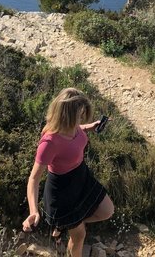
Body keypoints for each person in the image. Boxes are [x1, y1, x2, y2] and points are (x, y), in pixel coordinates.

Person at [22, 88, 114, 257]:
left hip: (81, 177)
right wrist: (34, 211)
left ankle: (64, 225)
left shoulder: (73, 126)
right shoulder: (49, 142)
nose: (81, 118)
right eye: (79, 115)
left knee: (107, 211)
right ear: (67, 116)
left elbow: (77, 130)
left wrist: (88, 127)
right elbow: (33, 179)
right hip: (62, 191)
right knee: (79, 236)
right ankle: (68, 226)